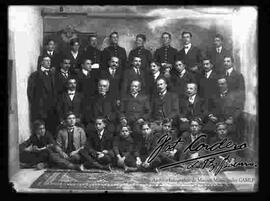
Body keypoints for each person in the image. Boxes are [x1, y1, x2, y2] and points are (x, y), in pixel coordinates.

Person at [27, 56, 57, 133]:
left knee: (50, 129)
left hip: (51, 108)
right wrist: (36, 104)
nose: (49, 62)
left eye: (49, 61)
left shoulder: (52, 75)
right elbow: (31, 93)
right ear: (41, 62)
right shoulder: (35, 75)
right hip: (40, 109)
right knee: (40, 130)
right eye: (46, 60)